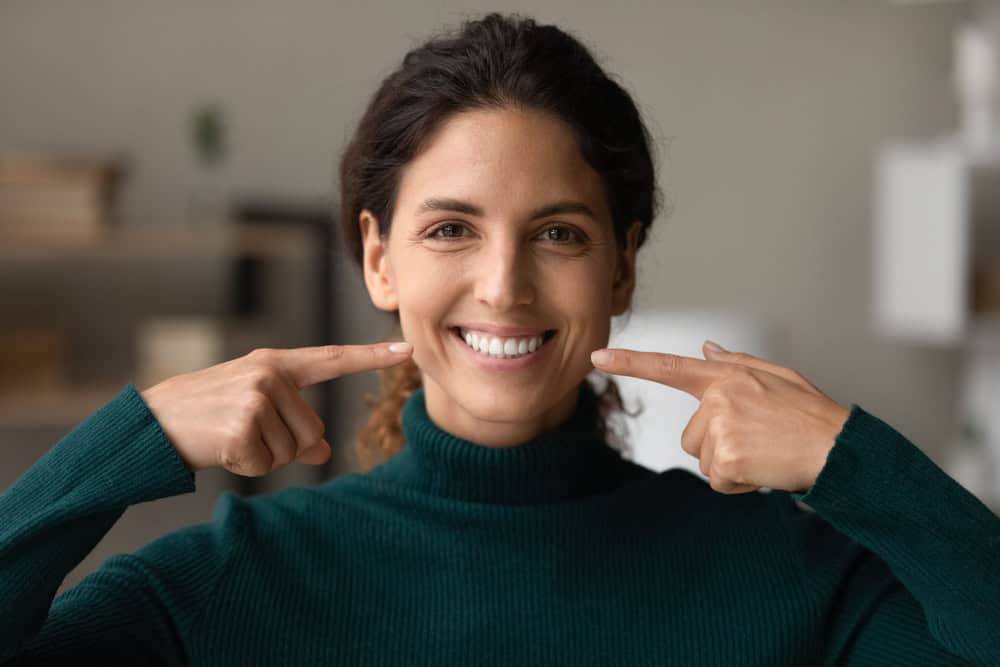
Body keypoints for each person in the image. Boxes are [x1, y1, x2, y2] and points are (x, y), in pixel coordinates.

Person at [1, 11, 998, 666]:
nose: (503, 285)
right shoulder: (234, 583)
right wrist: (133, 438)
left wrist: (849, 458)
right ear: (379, 259)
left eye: (557, 233)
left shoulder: (787, 575)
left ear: (620, 265)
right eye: (450, 229)